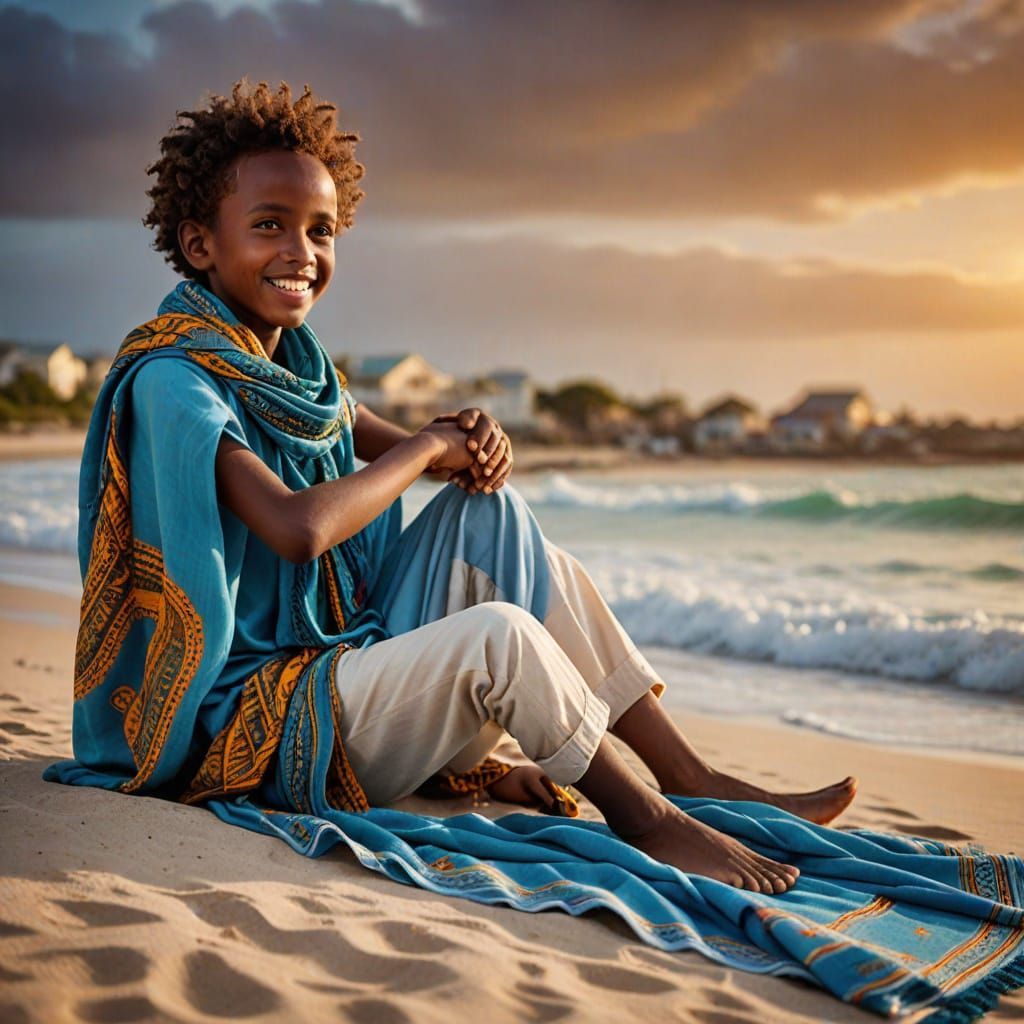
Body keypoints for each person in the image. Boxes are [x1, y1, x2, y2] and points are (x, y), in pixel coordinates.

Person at [59, 80, 857, 896]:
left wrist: (471, 441)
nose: (302, 252)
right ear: (199, 243)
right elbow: (296, 529)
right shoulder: (175, 377)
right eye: (270, 226)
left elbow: (426, 460)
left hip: (340, 665)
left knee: (496, 509)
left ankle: (685, 774)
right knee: (497, 638)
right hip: (254, 723)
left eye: (321, 230)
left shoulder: (299, 372)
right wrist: (430, 446)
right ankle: (648, 819)